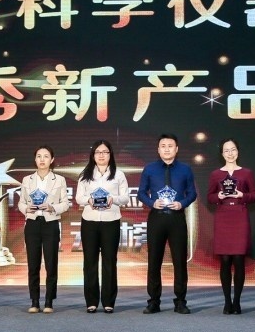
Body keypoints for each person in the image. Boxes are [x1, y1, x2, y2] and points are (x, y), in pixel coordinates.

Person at [137, 134, 197, 314]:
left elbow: (192, 193)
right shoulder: (150, 169)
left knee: (180, 261)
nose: (167, 149)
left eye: (170, 146)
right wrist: (151, 203)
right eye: (163, 146)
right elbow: (141, 193)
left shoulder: (185, 169)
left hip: (177, 218)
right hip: (157, 218)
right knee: (154, 261)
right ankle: (153, 301)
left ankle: (180, 301)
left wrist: (182, 203)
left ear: (176, 149)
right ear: (158, 149)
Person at [75, 140, 129, 313]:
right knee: (90, 261)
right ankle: (91, 301)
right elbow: (78, 198)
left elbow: (125, 198)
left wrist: (113, 199)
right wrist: (89, 200)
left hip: (111, 221)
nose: (101, 155)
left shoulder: (118, 175)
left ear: (110, 155)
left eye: (105, 152)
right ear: (93, 155)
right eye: (98, 152)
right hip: (89, 221)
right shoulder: (85, 175)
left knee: (109, 261)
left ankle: (108, 301)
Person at [206, 138, 255, 314]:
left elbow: (254, 195)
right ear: (222, 154)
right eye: (226, 150)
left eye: (233, 149)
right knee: (225, 261)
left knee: (239, 260)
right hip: (223, 217)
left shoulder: (246, 173)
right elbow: (209, 197)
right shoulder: (215, 174)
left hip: (240, 217)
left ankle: (237, 301)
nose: (230, 153)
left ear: (238, 151)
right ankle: (227, 301)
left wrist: (242, 195)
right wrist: (218, 196)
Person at [17, 145, 70, 313]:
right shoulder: (27, 180)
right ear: (35, 159)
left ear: (52, 160)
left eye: (46, 156)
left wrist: (52, 207)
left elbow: (65, 204)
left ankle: (49, 301)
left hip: (50, 224)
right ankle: (34, 301)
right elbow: (21, 202)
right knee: (33, 264)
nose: (42, 159)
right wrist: (26, 208)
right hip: (32, 223)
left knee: (51, 263)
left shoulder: (59, 180)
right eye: (39, 156)